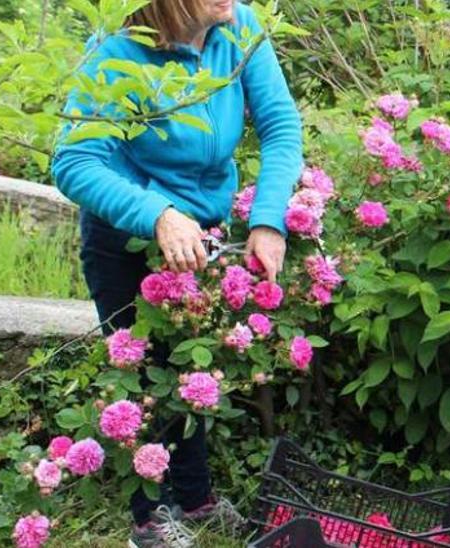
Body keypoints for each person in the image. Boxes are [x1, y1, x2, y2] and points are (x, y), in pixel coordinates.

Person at [51, 1, 303, 546]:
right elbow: (73, 161)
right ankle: (148, 516)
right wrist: (156, 214)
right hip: (129, 236)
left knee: (191, 373)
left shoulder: (238, 29)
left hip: (201, 237)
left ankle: (194, 499)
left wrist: (269, 218)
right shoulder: (118, 51)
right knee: (140, 380)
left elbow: (281, 126)